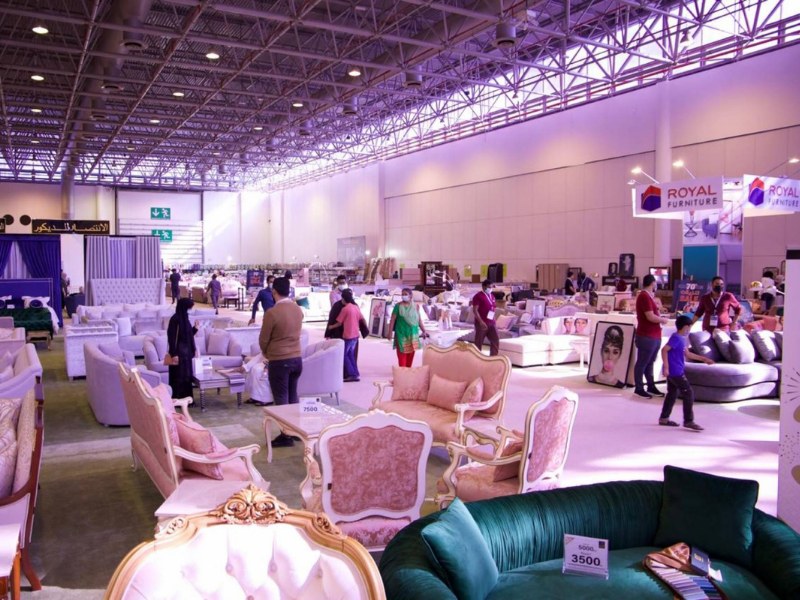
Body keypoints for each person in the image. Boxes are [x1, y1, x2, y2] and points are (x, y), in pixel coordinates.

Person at [259, 277, 304, 447]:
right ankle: (297, 431)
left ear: (274, 291)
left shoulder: (272, 313)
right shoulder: (298, 310)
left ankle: (286, 435)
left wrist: (266, 353)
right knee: (293, 396)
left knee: (281, 399)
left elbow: (264, 339)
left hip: (279, 359)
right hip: (297, 359)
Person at [659, 315, 713, 431]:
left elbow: (688, 354)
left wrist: (704, 359)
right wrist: (666, 367)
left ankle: (664, 418)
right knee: (689, 394)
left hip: (675, 371)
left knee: (672, 394)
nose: (689, 329)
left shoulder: (681, 339)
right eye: (689, 327)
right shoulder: (676, 338)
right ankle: (688, 421)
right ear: (686, 327)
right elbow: (664, 350)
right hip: (675, 372)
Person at [633, 274, 670, 399]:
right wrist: (662, 320)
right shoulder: (644, 296)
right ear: (653, 283)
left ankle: (651, 386)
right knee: (642, 362)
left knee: (650, 362)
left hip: (654, 335)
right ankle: (639, 388)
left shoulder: (649, 296)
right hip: (646, 335)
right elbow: (650, 316)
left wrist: (660, 314)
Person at [327, 289, 367, 381]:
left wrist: (331, 327)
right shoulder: (355, 307)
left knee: (344, 354)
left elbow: (339, 323)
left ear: (343, 299)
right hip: (355, 336)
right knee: (351, 354)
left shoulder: (345, 309)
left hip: (348, 335)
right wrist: (366, 328)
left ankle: (351, 374)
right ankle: (356, 373)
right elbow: (363, 319)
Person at [166, 298, 199, 400]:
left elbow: (187, 335)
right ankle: (178, 399)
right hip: (178, 354)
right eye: (188, 308)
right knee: (178, 377)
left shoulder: (185, 319)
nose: (189, 310)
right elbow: (172, 338)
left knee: (186, 377)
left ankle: (187, 399)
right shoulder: (175, 319)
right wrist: (173, 354)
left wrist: (195, 329)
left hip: (186, 354)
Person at [387, 288, 428, 367]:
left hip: (413, 335)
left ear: (410, 296)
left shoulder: (416, 306)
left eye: (405, 294)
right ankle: (402, 373)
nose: (403, 296)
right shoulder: (398, 306)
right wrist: (390, 332)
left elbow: (419, 320)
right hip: (401, 334)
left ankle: (408, 372)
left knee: (410, 358)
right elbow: (392, 320)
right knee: (402, 357)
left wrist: (424, 331)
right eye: (402, 294)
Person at [470, 279, 500, 356]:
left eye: (491, 287)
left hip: (491, 322)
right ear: (484, 287)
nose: (490, 289)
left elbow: (493, 309)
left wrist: (494, 320)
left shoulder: (492, 296)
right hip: (482, 322)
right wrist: (480, 322)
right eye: (489, 287)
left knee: (495, 340)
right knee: (479, 342)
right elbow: (475, 310)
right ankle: (476, 358)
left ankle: (493, 358)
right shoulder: (478, 296)